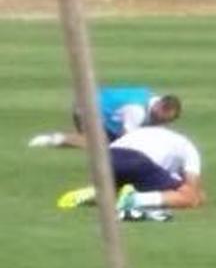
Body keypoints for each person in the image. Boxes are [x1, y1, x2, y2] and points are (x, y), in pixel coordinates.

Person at [57, 126, 205, 211]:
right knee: (190, 197)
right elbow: (192, 187)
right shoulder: (189, 148)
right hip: (136, 160)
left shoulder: (151, 132)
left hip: (104, 158)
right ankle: (134, 201)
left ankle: (94, 192)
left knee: (130, 184)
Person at [28, 86, 182, 148]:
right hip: (86, 107)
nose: (162, 123)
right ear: (159, 106)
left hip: (96, 106)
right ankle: (53, 139)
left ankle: (65, 138)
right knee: (97, 144)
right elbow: (128, 139)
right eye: (163, 119)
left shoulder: (151, 98)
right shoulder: (137, 110)